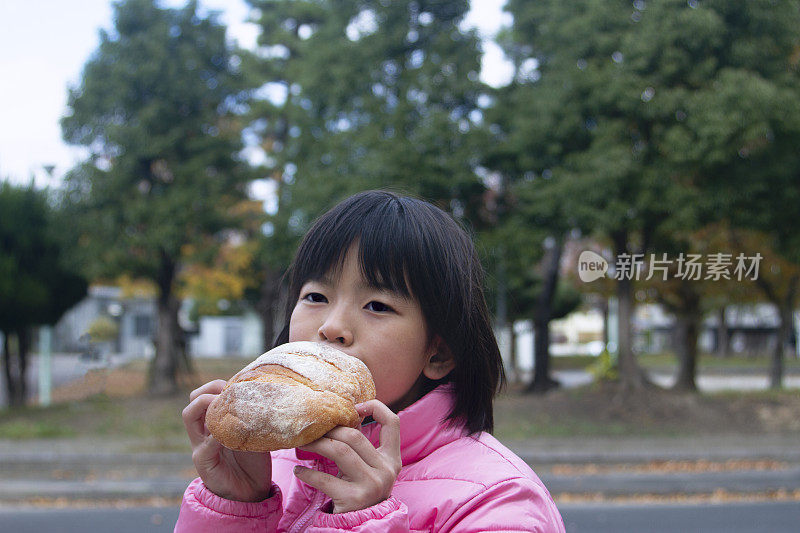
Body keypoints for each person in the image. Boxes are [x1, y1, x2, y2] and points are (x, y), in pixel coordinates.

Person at [176, 190, 565, 532]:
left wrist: (364, 520)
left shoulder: (499, 501)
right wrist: (236, 508)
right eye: (315, 296)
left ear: (439, 352)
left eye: (376, 305)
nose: (331, 327)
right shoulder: (266, 465)